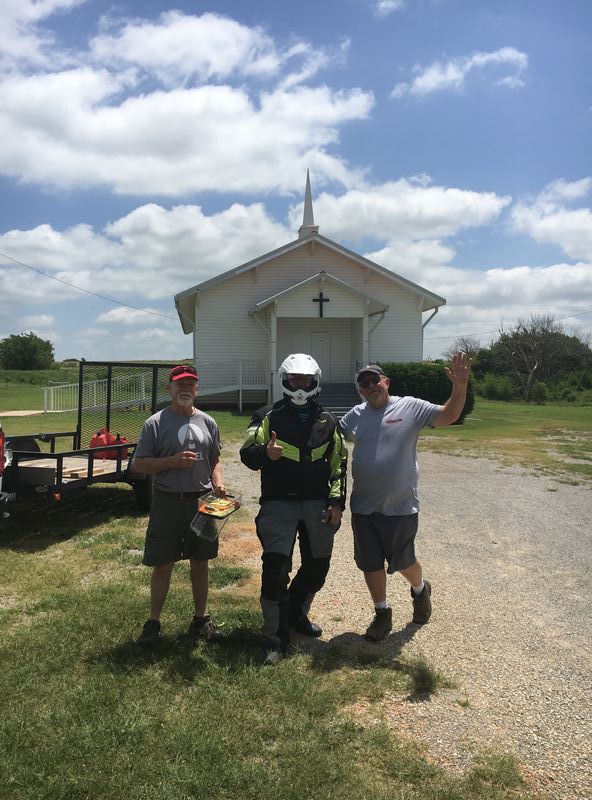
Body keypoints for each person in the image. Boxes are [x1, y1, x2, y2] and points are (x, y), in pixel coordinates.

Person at [339, 353, 471, 642]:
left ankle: (420, 590)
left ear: (386, 382)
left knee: (403, 561)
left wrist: (460, 386)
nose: (371, 385)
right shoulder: (354, 416)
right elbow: (332, 440)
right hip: (363, 506)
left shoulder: (409, 406)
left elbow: (449, 416)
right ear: (360, 390)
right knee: (370, 563)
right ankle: (382, 613)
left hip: (400, 506)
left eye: (376, 380)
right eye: (364, 383)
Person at [240, 353, 347, 665]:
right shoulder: (266, 415)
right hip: (278, 503)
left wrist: (337, 503)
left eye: (305, 380)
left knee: (317, 567)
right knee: (275, 569)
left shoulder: (328, 420)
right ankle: (274, 637)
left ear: (315, 382)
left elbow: (339, 465)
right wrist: (265, 453)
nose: (300, 385)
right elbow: (247, 453)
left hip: (317, 505)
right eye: (294, 379)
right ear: (284, 381)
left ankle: (296, 615)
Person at [133, 364, 226, 647]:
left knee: (201, 562)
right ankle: (153, 622)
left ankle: (201, 619)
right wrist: (172, 461)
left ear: (197, 389)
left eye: (191, 384)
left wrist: (218, 482)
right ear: (169, 389)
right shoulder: (155, 423)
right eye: (179, 384)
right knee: (163, 563)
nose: (185, 389)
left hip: (203, 501)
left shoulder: (208, 422)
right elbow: (139, 464)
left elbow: (215, 459)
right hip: (168, 500)